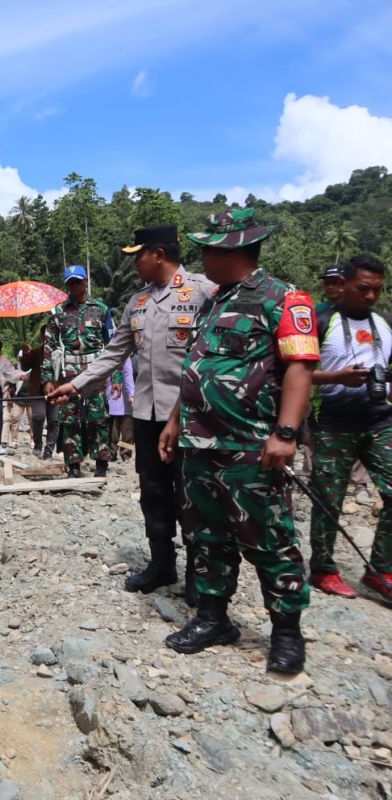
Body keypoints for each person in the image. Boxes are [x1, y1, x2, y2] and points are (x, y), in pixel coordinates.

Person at [158, 208, 318, 674]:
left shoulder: (283, 298)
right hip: (199, 444)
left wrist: (285, 433)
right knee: (206, 536)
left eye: (209, 247)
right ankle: (213, 618)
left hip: (250, 446)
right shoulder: (211, 301)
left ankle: (286, 631)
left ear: (233, 250)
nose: (202, 256)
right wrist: (174, 421)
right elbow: (195, 368)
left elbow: (300, 368)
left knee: (268, 537)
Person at [49, 225, 216, 601]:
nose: (133, 263)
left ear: (157, 254)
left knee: (192, 495)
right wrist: (76, 385)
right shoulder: (137, 302)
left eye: (137, 255)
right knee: (153, 492)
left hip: (190, 417)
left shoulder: (205, 291)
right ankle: (161, 564)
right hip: (146, 416)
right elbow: (114, 352)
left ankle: (198, 574)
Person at [306, 254, 392, 601]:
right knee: (329, 500)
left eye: (378, 290)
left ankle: (380, 568)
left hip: (380, 421)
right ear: (343, 285)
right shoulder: (320, 319)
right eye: (363, 288)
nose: (371, 296)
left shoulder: (384, 323)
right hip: (332, 423)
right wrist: (336, 377)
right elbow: (292, 374)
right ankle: (323, 569)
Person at [42, 265, 114, 478]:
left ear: (85, 282)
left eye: (78, 281)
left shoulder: (101, 309)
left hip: (96, 371)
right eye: (70, 283)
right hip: (70, 372)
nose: (74, 286)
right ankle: (73, 465)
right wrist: (48, 378)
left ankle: (101, 463)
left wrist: (116, 376)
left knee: (99, 417)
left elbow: (113, 346)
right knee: (69, 418)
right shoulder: (57, 313)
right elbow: (49, 346)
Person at [19, 339, 58, 458]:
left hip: (56, 391)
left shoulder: (59, 352)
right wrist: (25, 353)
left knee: (54, 420)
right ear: (42, 336)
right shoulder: (35, 352)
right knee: (38, 416)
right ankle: (38, 444)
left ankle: (49, 449)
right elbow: (25, 367)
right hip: (37, 392)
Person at [106, 360, 135, 461]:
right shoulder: (125, 357)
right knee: (123, 431)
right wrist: (132, 394)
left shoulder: (126, 358)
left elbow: (128, 375)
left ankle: (120, 454)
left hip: (122, 399)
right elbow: (128, 375)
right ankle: (120, 454)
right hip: (116, 397)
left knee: (124, 431)